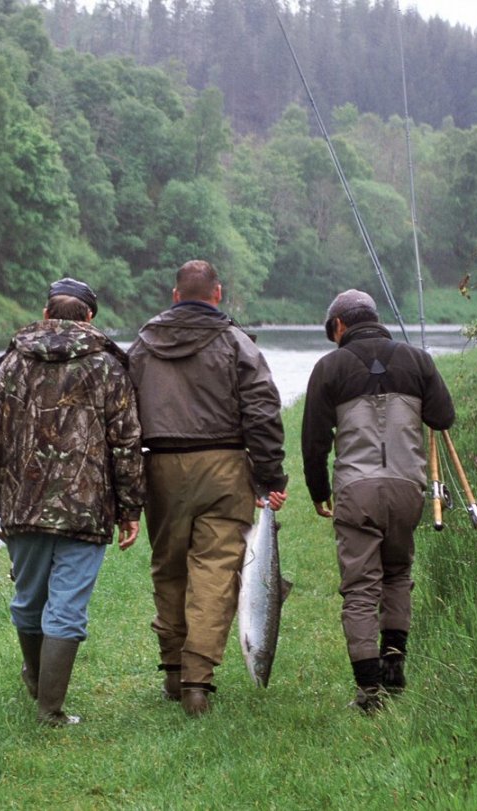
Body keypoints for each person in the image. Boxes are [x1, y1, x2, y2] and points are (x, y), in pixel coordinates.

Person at [0, 277, 144, 726]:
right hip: (87, 509)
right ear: (90, 318)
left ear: (47, 314)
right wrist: (130, 510)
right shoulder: (109, 366)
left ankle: (36, 677)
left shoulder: (12, 363)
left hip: (23, 505)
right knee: (65, 606)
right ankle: (50, 709)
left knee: (28, 600)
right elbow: (126, 442)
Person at [128, 259, 288, 716]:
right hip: (224, 467)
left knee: (169, 567)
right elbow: (262, 411)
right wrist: (270, 475)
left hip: (159, 466)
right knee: (215, 573)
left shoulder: (142, 345)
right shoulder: (237, 343)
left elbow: (122, 412)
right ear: (217, 294)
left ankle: (173, 671)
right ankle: (197, 680)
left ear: (176, 296)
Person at [301, 289, 455, 714]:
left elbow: (314, 442)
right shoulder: (417, 359)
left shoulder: (329, 367)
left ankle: (369, 692)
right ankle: (393, 664)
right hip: (409, 489)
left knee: (359, 588)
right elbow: (443, 417)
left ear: (339, 326)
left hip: (357, 490)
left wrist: (319, 492)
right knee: (398, 574)